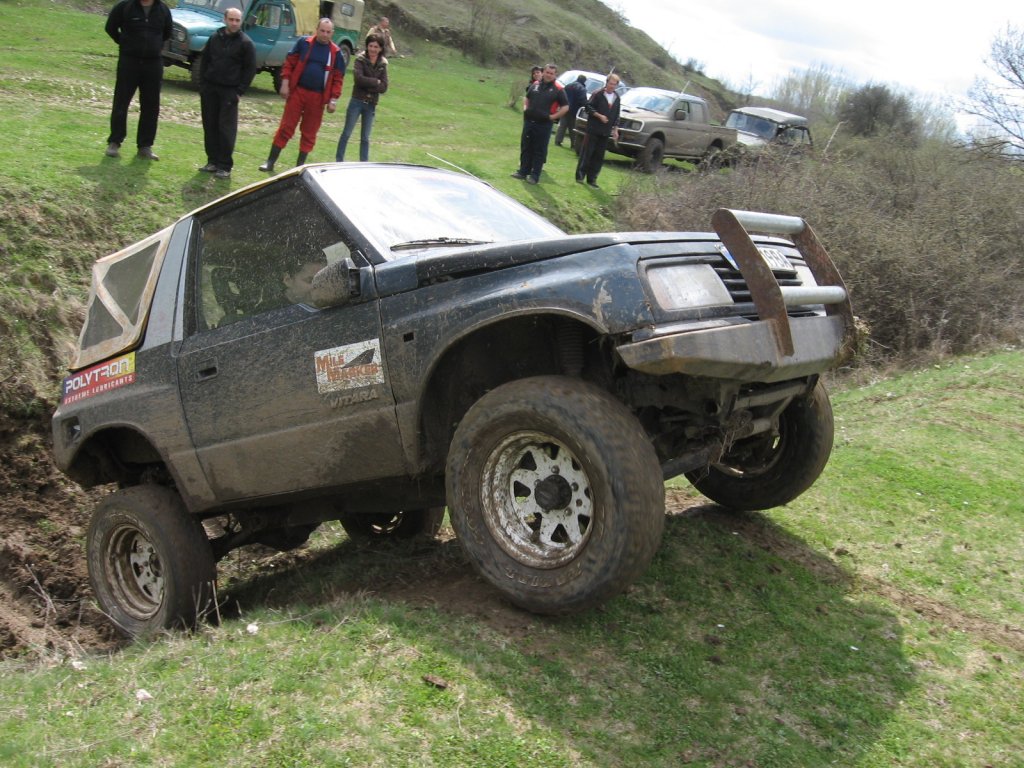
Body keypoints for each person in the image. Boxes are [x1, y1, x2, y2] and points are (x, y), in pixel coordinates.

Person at [258, 18, 345, 173]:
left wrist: (333, 100)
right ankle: (270, 161)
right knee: (286, 127)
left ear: (332, 33)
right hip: (298, 92)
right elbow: (289, 63)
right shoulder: (303, 43)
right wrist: (285, 82)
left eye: (328, 32)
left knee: (309, 132)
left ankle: (299, 168)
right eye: (322, 31)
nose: (325, 34)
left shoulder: (336, 53)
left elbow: (338, 78)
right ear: (316, 29)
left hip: (318, 98)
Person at [103, 0, 172, 160]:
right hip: (129, 60)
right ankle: (115, 142)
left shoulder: (163, 9)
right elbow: (110, 27)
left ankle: (145, 146)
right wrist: (125, 43)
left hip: (153, 63)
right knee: (121, 101)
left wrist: (154, 46)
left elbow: (167, 33)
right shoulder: (125, 6)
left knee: (151, 105)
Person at [198, 7, 256, 179]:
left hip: (230, 91)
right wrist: (202, 85)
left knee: (226, 129)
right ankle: (212, 161)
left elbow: (250, 69)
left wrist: (240, 91)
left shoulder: (246, 43)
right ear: (225, 19)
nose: (234, 23)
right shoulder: (214, 38)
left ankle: (224, 166)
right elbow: (204, 61)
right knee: (210, 125)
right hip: (210, 88)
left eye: (237, 20)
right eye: (231, 19)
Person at [335, 34, 388, 162]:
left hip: (371, 104)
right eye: (371, 46)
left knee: (365, 137)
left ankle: (364, 163)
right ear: (367, 46)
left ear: (380, 48)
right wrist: (376, 82)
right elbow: (358, 79)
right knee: (347, 133)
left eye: (376, 47)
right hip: (357, 101)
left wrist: (369, 84)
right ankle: (339, 161)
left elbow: (384, 87)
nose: (373, 49)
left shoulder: (383, 64)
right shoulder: (360, 60)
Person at [512, 63, 568, 185]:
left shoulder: (558, 89)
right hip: (529, 122)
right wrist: (526, 109)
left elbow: (565, 107)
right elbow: (527, 98)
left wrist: (553, 117)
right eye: (547, 72)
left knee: (539, 150)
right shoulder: (535, 84)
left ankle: (534, 176)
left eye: (551, 73)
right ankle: (522, 172)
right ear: (543, 72)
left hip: (544, 125)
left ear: (555, 75)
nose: (548, 75)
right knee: (526, 147)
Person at [575, 73, 621, 189]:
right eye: (610, 84)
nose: (612, 86)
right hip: (593, 129)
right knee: (587, 153)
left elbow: (616, 115)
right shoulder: (598, 94)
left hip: (605, 132)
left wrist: (615, 129)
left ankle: (592, 179)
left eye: (614, 85)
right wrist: (599, 116)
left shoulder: (617, 98)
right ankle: (580, 176)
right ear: (607, 83)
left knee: (599, 156)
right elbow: (588, 107)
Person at [555, 73, 588, 147]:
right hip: (574, 111)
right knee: (573, 128)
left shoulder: (568, 85)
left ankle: (558, 141)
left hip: (564, 108)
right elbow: (583, 100)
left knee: (562, 126)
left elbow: (562, 96)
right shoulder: (582, 88)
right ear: (584, 81)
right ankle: (574, 144)